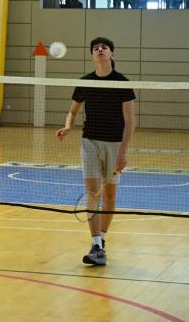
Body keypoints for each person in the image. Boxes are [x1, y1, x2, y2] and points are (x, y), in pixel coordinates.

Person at [56, 37, 135, 267]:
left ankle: (102, 240)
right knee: (92, 192)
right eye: (96, 48)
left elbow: (130, 122)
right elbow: (73, 111)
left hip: (114, 144)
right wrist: (68, 126)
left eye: (104, 48)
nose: (100, 50)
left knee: (109, 196)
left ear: (112, 55)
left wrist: (123, 152)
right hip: (89, 142)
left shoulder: (122, 83)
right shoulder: (84, 82)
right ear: (92, 56)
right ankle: (96, 244)